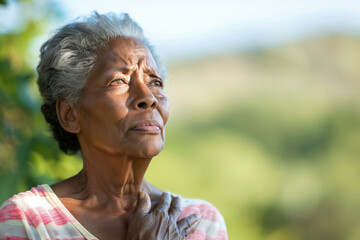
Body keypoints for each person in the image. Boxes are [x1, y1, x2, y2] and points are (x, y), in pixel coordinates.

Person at [0, 12, 228, 240]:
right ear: (70, 114)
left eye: (155, 82)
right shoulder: (29, 219)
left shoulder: (201, 222)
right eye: (119, 81)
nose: (148, 98)